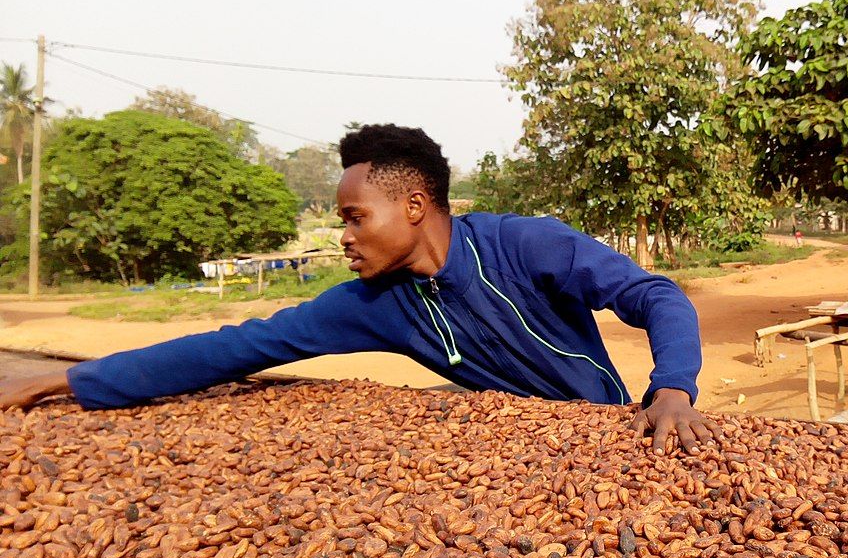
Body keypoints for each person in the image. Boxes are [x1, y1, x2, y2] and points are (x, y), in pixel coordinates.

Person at [0, 125, 718, 455]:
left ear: (413, 206)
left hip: (615, 436)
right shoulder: (374, 303)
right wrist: (71, 380)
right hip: (522, 459)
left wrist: (674, 387)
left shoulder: (525, 243)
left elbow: (657, 296)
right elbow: (235, 348)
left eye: (353, 217)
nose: (343, 235)